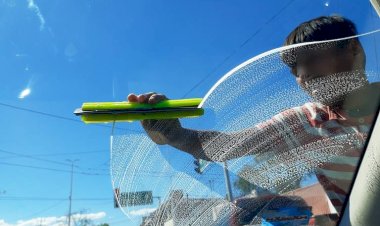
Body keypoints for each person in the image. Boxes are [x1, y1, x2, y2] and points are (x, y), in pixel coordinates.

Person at [127, 15, 380, 217]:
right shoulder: (307, 120)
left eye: (311, 57)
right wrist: (172, 133)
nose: (303, 75)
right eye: (294, 69)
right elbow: (227, 146)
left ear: (354, 49)